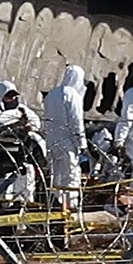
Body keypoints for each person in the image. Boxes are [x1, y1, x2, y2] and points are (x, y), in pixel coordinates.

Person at [0, 80, 45, 204]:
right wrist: (17, 115)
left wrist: (26, 121)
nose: (13, 99)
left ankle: (25, 200)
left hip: (20, 149)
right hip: (0, 153)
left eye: (14, 96)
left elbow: (36, 123)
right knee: (6, 183)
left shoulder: (22, 108)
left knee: (27, 173)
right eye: (9, 96)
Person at [42, 65, 88, 211]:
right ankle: (72, 206)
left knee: (56, 174)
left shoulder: (51, 94)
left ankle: (56, 203)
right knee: (71, 174)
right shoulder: (73, 95)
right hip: (68, 142)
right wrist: (82, 144)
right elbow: (76, 121)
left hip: (51, 140)